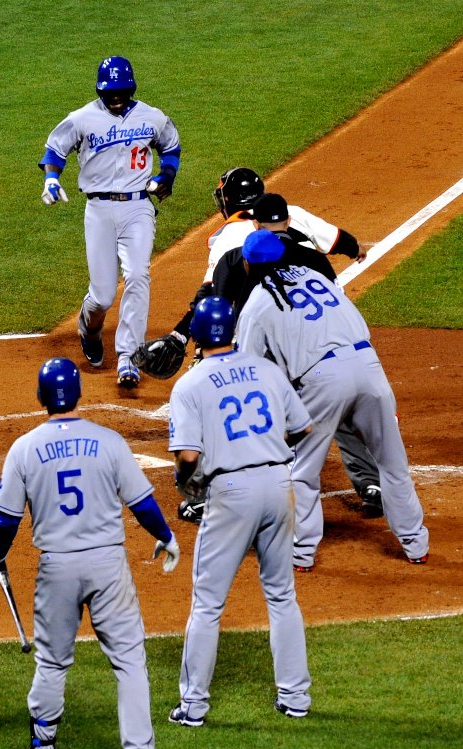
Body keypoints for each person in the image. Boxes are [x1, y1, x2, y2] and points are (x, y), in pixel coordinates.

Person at [133, 168, 381, 523]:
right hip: (324, 332)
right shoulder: (293, 214)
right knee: (334, 400)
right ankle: (372, 484)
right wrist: (356, 250)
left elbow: (212, 297)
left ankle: (208, 495)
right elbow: (341, 240)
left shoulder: (229, 238)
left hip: (269, 332)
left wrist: (182, 336)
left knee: (222, 401)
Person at [0, 357, 179, 749]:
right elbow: (142, 503)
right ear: (78, 393)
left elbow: (8, 519)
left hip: (58, 567)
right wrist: (166, 535)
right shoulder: (108, 441)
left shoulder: (25, 448)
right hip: (108, 565)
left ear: (40, 397)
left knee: (52, 661)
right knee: (129, 661)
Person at [236, 229, 430, 571]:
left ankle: (301, 553)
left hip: (324, 380)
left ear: (249, 265)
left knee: (301, 471)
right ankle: (416, 545)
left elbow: (249, 370)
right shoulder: (315, 276)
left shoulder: (257, 303)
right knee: (392, 463)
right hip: (369, 367)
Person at [167, 296, 313, 726]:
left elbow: (189, 457)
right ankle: (296, 698)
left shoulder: (190, 385)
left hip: (231, 493)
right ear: (232, 329)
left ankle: (192, 707)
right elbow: (303, 427)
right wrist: (266, 452)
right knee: (282, 594)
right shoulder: (266, 370)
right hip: (279, 484)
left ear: (196, 334)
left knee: (208, 604)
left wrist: (183, 483)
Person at [38, 56, 181, 389]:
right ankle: (88, 327)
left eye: (120, 90)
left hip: (138, 208)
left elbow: (170, 147)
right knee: (102, 295)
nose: (115, 96)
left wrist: (167, 177)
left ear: (131, 88)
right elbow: (54, 151)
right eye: (109, 91)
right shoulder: (82, 119)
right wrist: (51, 179)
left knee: (138, 274)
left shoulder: (152, 117)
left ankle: (129, 357)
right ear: (100, 89)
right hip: (99, 209)